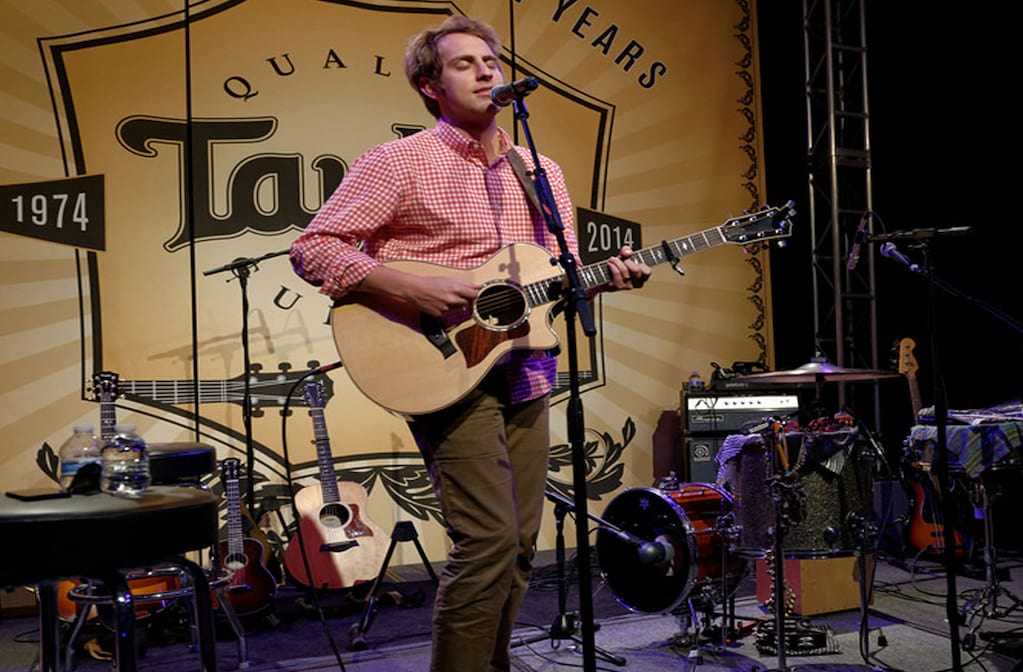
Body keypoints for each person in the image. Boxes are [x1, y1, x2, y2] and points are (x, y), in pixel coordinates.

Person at [289, 15, 651, 671]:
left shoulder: (541, 172)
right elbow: (313, 248)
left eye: (490, 59)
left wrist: (604, 282)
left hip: (525, 369)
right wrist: (410, 287)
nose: (486, 71)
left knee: (515, 544)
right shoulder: (397, 163)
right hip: (440, 366)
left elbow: (554, 283)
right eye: (465, 63)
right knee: (483, 539)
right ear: (429, 86)